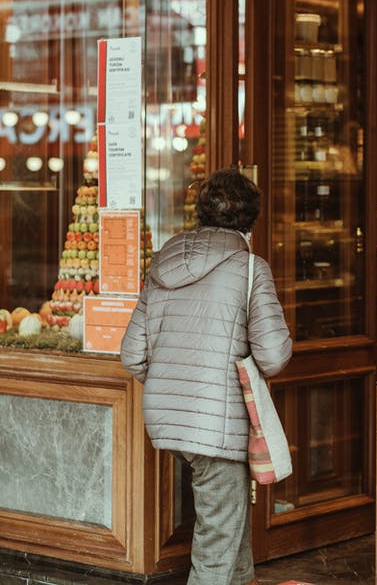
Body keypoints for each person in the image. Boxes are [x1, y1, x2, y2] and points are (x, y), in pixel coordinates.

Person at [120, 167, 292, 585]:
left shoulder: (162, 262)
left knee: (227, 518)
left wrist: (175, 386)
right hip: (217, 420)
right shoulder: (251, 269)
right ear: (252, 219)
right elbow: (273, 356)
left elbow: (132, 354)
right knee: (218, 533)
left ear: (201, 213)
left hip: (167, 418)